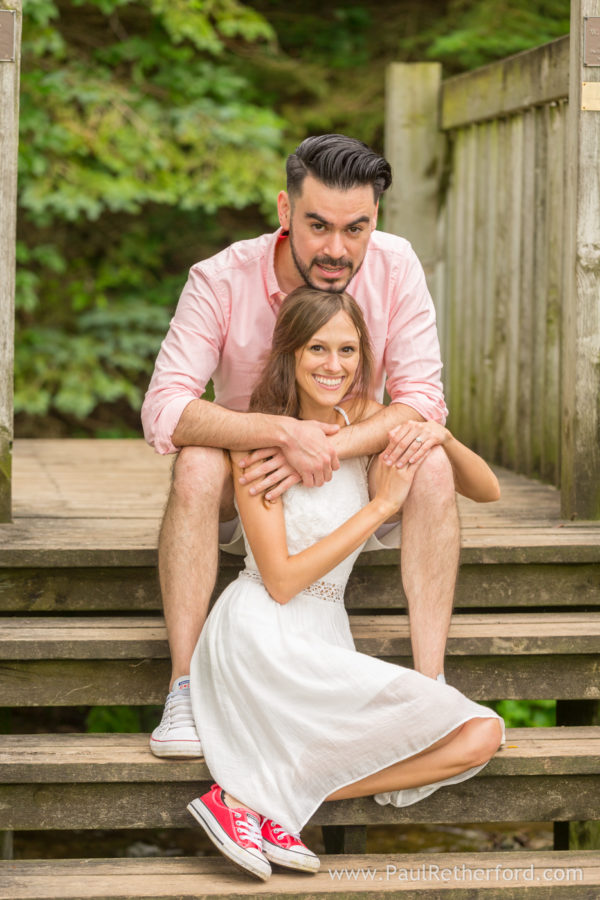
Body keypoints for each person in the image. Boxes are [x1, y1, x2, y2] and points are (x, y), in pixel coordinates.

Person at [142, 133, 457, 762]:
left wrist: (326, 447)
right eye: (318, 226)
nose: (337, 249)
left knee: (433, 462)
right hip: (250, 487)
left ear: (376, 220)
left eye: (356, 228)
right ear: (285, 212)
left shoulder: (397, 265)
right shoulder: (220, 278)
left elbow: (422, 399)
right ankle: (183, 685)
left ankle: (430, 684)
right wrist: (281, 434)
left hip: (349, 485)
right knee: (198, 463)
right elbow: (165, 407)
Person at [186, 287, 504, 882]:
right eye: (317, 349)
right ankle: (260, 802)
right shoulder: (257, 438)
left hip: (326, 632)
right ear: (289, 353)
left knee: (480, 735)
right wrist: (381, 506)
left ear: (364, 357)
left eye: (349, 350)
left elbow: (487, 491)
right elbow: (279, 580)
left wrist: (442, 437)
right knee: (474, 729)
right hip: (262, 630)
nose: (335, 365)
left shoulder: (366, 425)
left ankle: (258, 802)